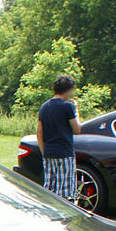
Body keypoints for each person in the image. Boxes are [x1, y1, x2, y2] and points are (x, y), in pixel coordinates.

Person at [36, 75, 82, 203]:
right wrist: (76, 111)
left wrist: (44, 152)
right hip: (65, 153)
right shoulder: (68, 106)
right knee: (65, 192)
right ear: (69, 90)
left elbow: (39, 133)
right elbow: (77, 130)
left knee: (49, 189)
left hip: (49, 153)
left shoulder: (44, 107)